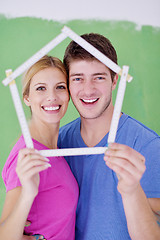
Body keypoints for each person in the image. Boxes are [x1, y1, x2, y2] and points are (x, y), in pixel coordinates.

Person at [58, 33, 160, 239]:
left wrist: (132, 191)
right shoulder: (60, 142)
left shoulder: (148, 145)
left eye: (99, 77)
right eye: (78, 78)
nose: (88, 89)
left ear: (114, 80)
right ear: (68, 84)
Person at [0, 55, 79, 240]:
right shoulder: (28, 155)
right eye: (40, 88)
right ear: (27, 98)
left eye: (60, 87)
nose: (51, 97)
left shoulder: (57, 148)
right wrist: (28, 194)